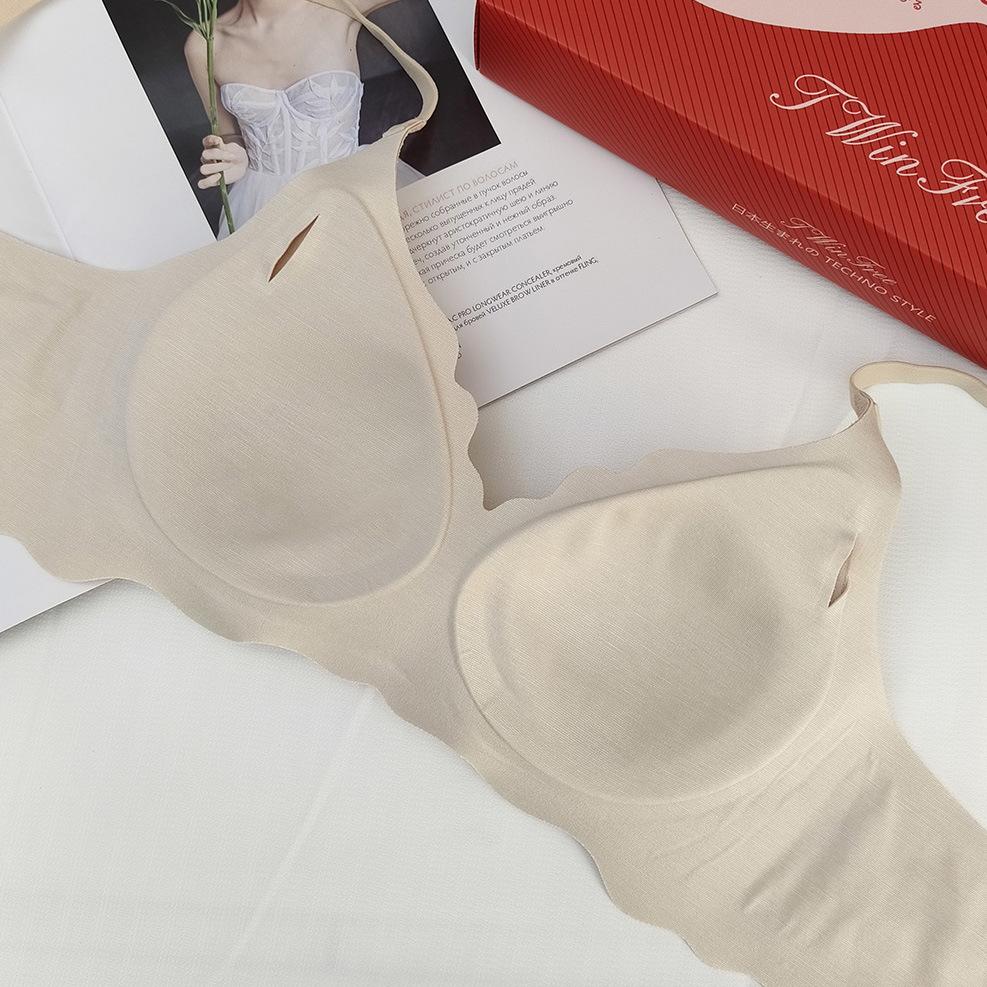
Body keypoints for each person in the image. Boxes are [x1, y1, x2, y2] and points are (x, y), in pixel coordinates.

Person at [184, 0, 420, 237]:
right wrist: (234, 154)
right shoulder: (204, 44)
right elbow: (228, 134)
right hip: (261, 206)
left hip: (352, 191)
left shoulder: (338, 5)